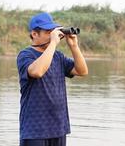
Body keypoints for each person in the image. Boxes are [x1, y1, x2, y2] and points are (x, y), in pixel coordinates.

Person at [17, 12, 88, 146]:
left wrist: (74, 46)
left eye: (53, 31)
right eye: (48, 32)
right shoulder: (25, 55)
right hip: (35, 130)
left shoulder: (58, 56)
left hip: (58, 127)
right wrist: (53, 44)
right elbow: (37, 71)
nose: (52, 35)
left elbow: (82, 71)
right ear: (34, 34)